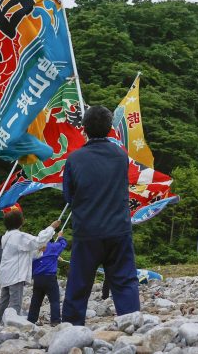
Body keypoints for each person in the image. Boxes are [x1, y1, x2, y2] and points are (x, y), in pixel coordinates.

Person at [62, 105, 140, 325]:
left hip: (87, 231)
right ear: (109, 128)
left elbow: (68, 196)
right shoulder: (120, 156)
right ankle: (133, 326)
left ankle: (72, 329)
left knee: (79, 284)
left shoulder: (74, 159)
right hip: (119, 229)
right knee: (124, 281)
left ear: (83, 128)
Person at [0, 210, 58, 325]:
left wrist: (38, 250)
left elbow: (25, 252)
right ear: (21, 221)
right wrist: (51, 228)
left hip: (6, 273)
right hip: (15, 275)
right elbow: (39, 240)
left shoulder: (6, 236)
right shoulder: (19, 236)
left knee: (4, 301)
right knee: (15, 303)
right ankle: (11, 325)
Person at [27, 231, 67, 325]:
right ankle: (55, 321)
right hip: (50, 277)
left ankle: (31, 320)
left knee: (36, 300)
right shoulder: (53, 247)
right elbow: (63, 244)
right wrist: (60, 236)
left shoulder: (36, 248)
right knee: (54, 300)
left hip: (37, 278)